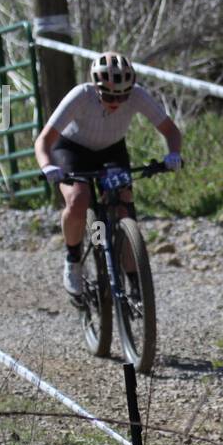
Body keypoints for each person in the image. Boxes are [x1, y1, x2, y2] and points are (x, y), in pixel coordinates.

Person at [33, 52, 183, 299]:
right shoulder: (81, 96)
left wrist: (173, 154)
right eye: (110, 95)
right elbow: (44, 140)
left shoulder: (137, 95)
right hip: (71, 149)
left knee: (124, 206)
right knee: (78, 199)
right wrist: (48, 165)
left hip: (111, 151)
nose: (117, 101)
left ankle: (135, 282)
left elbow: (170, 130)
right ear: (95, 86)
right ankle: (73, 259)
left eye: (123, 95)